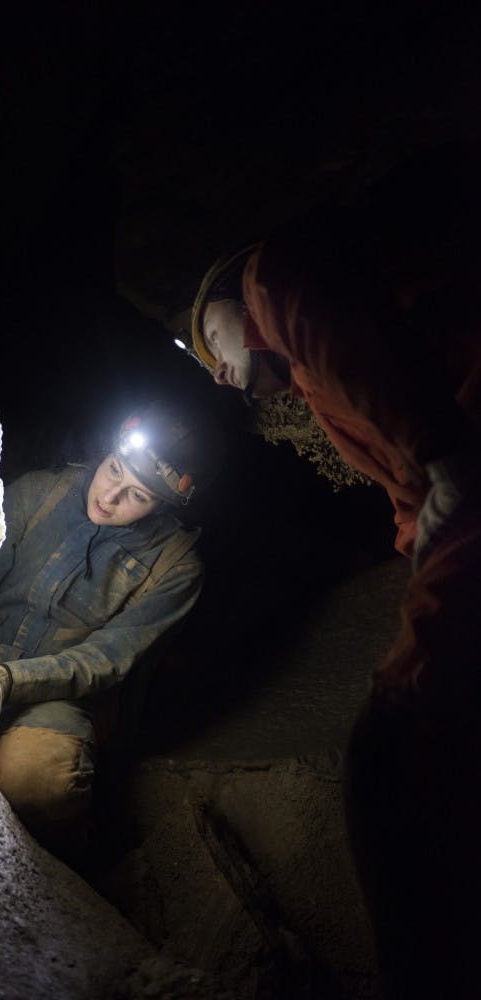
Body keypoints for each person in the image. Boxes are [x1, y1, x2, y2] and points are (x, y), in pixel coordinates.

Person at [185, 158, 480, 998]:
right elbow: (405, 495)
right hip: (460, 500)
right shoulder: (320, 392)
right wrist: (419, 542)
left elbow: (313, 312)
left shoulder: (272, 277)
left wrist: (441, 455)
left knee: (396, 747)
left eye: (209, 340)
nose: (216, 370)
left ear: (231, 307)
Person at [0, 401, 221, 862]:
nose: (110, 496)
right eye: (114, 470)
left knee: (38, 787)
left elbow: (104, 660)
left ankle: (59, 874)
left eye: (137, 496)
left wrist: (6, 679)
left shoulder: (177, 568)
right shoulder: (40, 493)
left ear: (164, 505)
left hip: (59, 697)